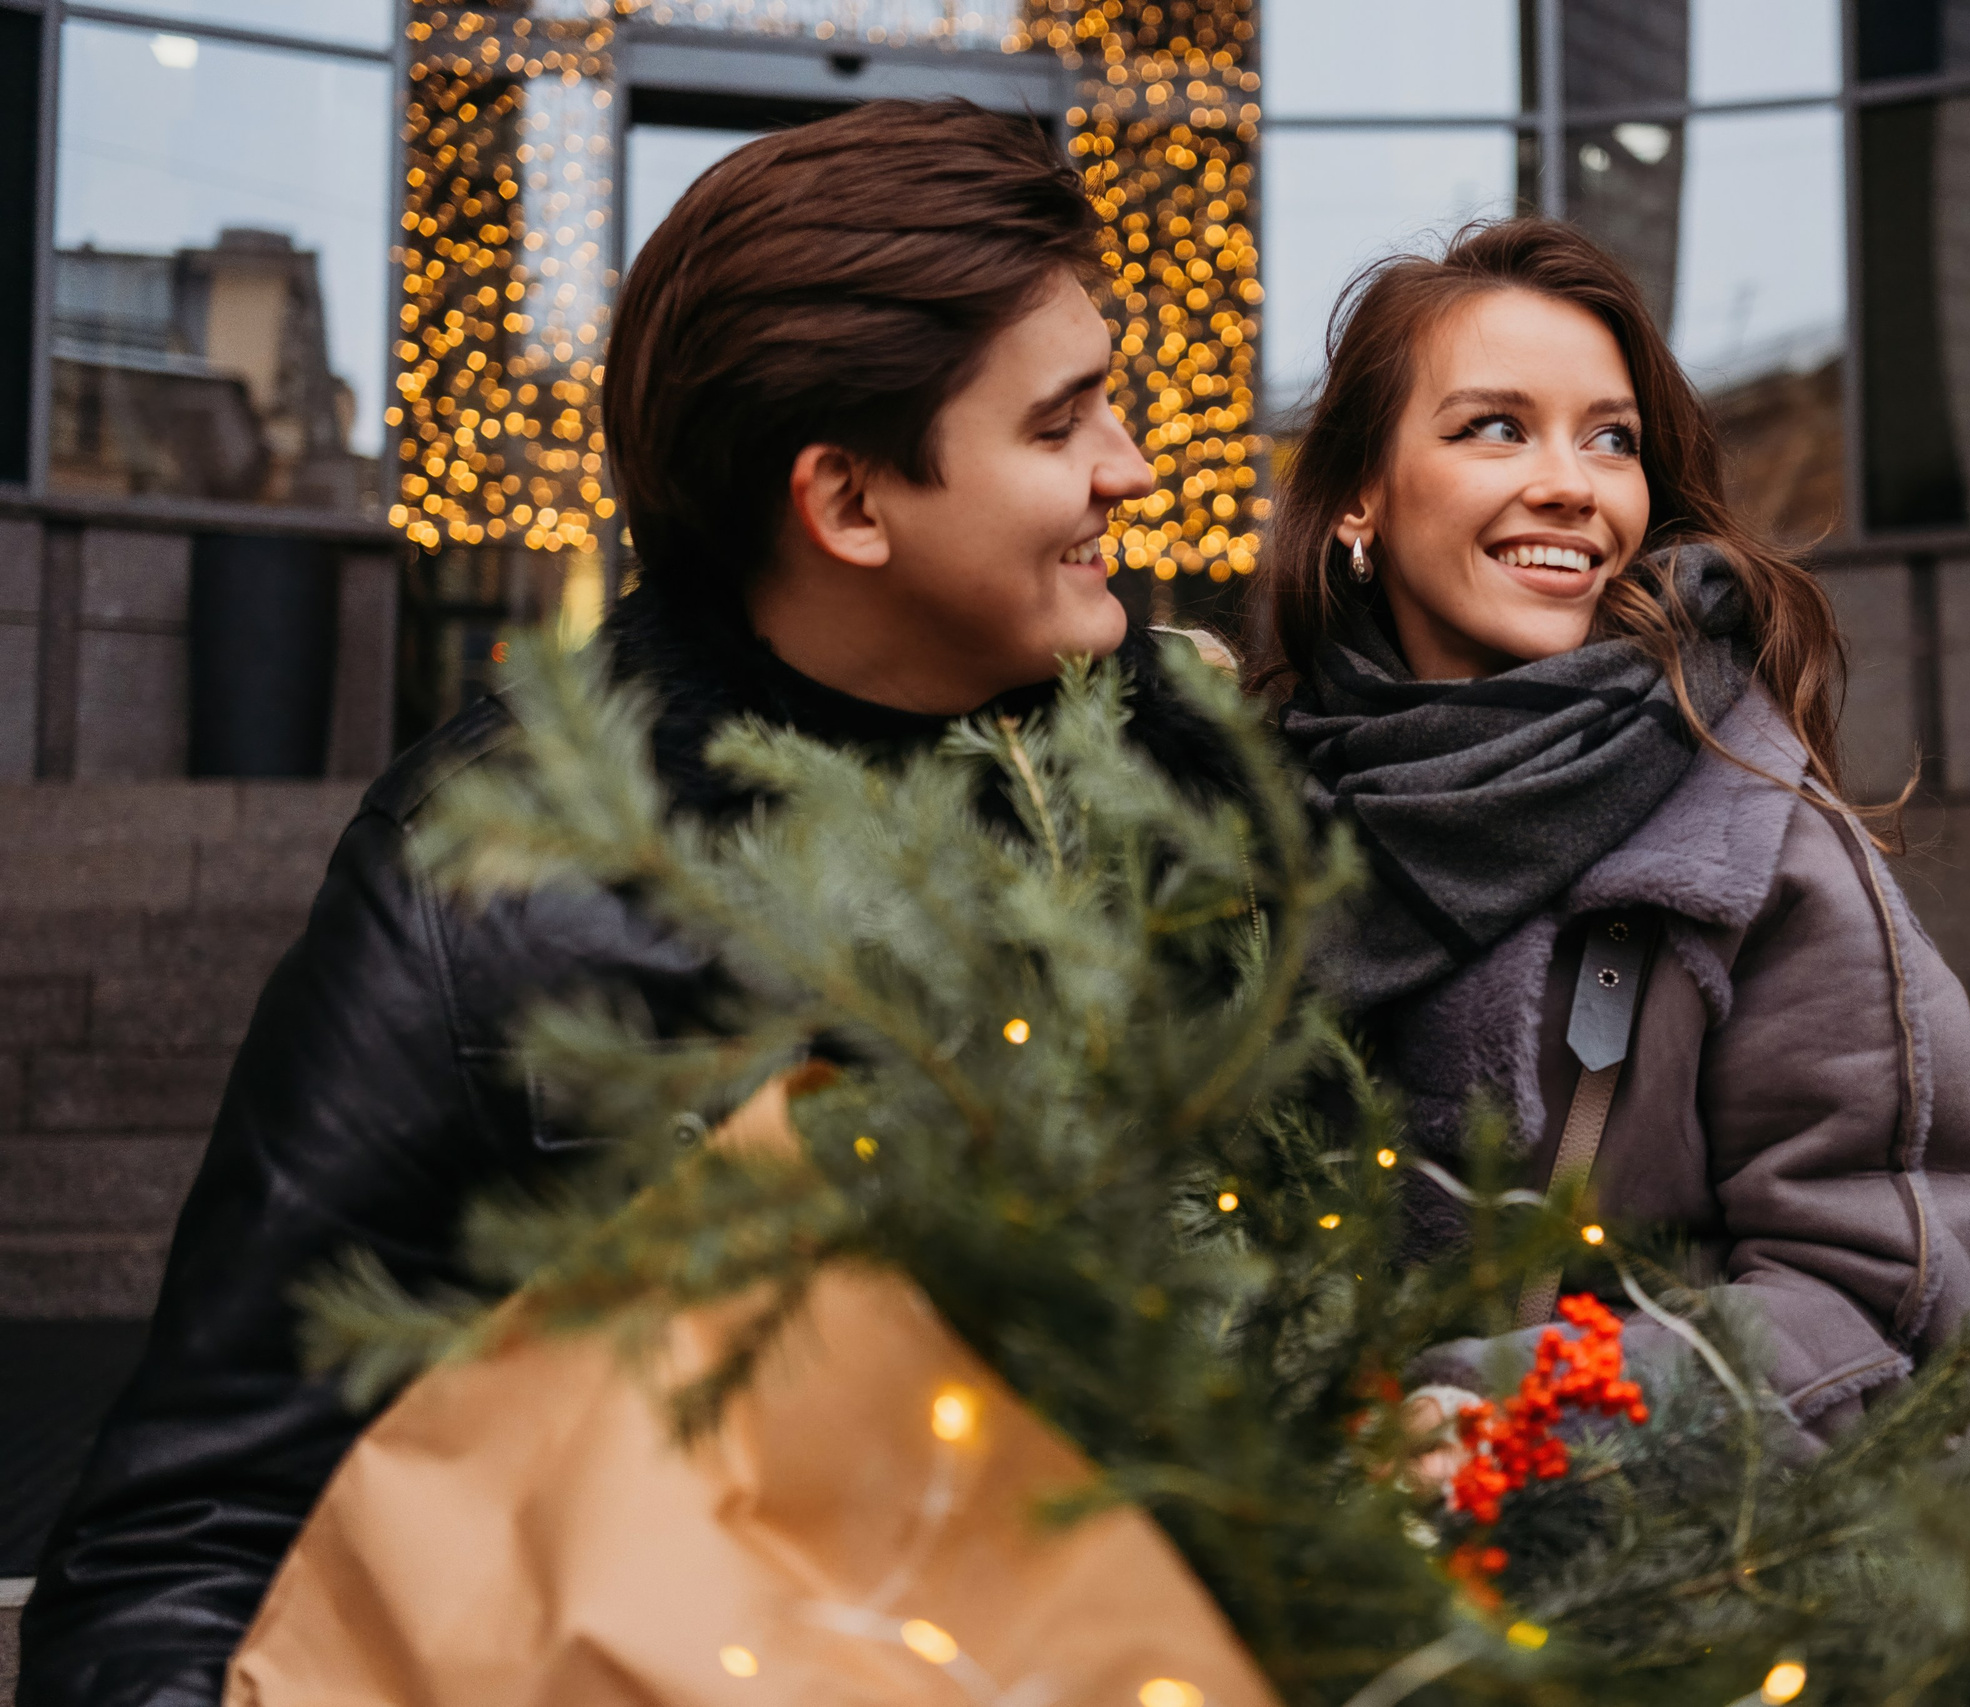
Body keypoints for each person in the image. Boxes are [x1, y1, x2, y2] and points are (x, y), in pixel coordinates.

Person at [19, 98, 1238, 1707]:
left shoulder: (1191, 772)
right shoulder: (495, 869)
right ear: (849, 504)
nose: (1132, 469)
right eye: (1060, 423)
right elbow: (195, 1532)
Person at [1255, 219, 1970, 1455]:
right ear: (1357, 498)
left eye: (1611, 439)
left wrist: (1510, 1421)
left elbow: (1880, 1291)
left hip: (1720, 1589)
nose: (1571, 482)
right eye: (1494, 426)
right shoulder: (1253, 819)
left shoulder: (1751, 832)